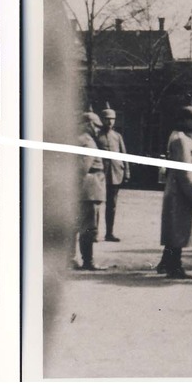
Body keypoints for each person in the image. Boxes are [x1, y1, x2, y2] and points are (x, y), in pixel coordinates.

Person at [159, 106, 192, 280]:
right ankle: (174, 267)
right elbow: (185, 171)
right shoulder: (180, 139)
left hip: (183, 191)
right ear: (183, 120)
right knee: (178, 230)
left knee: (178, 229)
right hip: (181, 192)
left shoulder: (190, 139)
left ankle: (166, 262)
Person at [75, 112, 107, 271]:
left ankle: (73, 259)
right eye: (96, 125)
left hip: (85, 189)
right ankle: (88, 261)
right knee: (88, 227)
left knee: (80, 226)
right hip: (90, 190)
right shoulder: (87, 142)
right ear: (87, 124)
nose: (98, 129)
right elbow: (83, 168)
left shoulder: (77, 140)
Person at [96, 107, 129, 242]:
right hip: (100, 173)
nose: (110, 122)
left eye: (112, 119)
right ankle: (94, 233)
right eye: (107, 119)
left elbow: (123, 154)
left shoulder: (117, 136)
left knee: (112, 205)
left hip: (115, 173)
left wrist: (126, 171)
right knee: (97, 204)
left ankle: (109, 233)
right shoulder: (97, 135)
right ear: (102, 120)